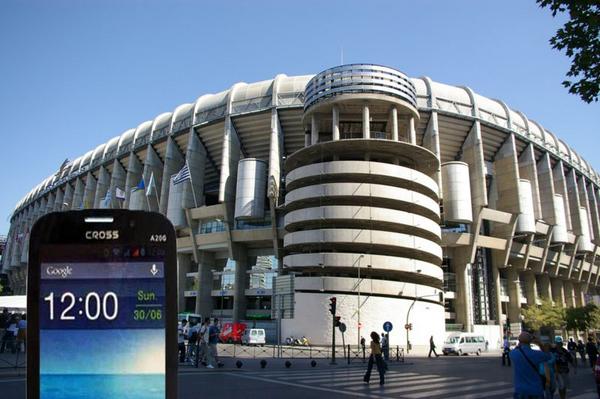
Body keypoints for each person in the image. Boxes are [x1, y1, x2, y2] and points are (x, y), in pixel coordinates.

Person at [509, 331, 551, 399]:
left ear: (519, 341)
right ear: (530, 341)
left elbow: (515, 349)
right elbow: (548, 356)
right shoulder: (537, 354)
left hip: (520, 390)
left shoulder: (514, 354)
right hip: (536, 389)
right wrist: (540, 343)